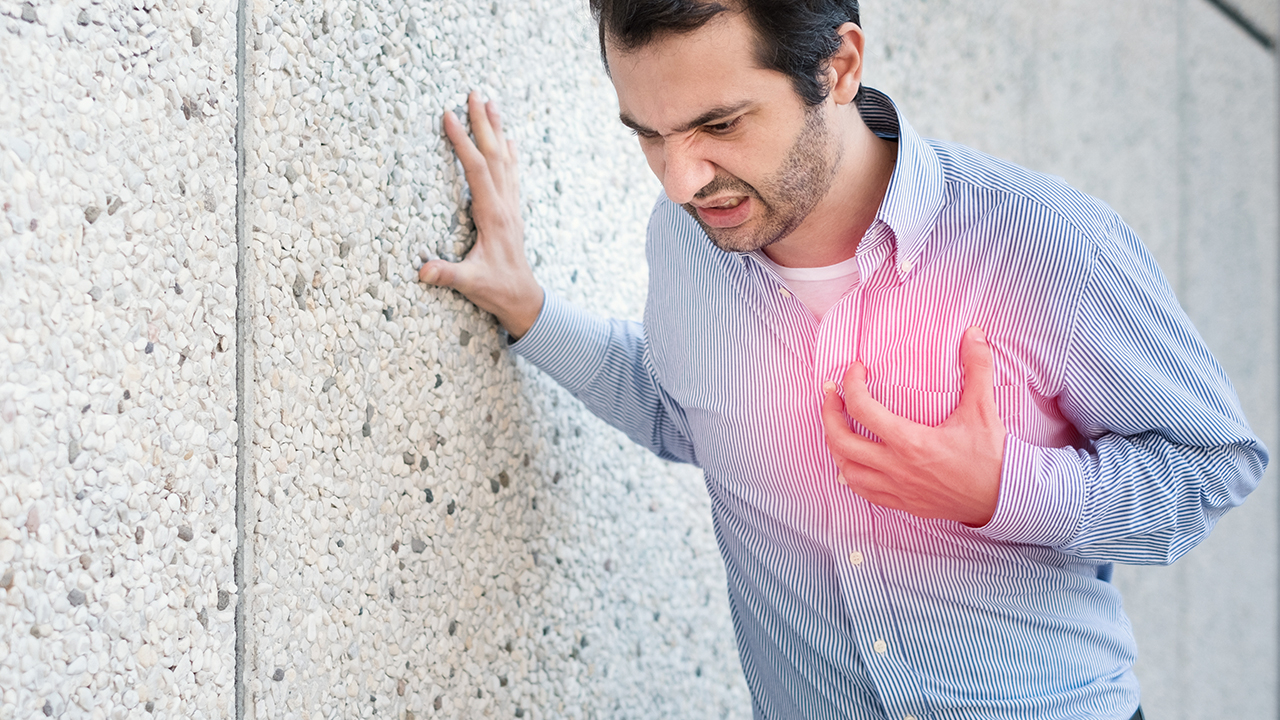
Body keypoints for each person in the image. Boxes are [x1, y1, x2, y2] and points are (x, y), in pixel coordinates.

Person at [418, 1, 1268, 718]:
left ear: (839, 66)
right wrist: (527, 306)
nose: (682, 180)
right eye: (650, 136)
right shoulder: (683, 241)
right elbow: (683, 413)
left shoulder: (1043, 243)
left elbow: (1212, 469)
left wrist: (1001, 489)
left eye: (720, 125)